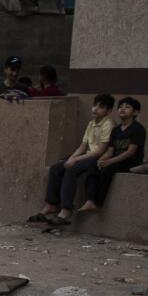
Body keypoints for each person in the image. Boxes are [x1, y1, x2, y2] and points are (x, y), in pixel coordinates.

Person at [31, 92, 114, 228]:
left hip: (97, 158)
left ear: (108, 111)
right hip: (86, 155)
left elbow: (100, 151)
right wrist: (71, 158)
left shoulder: (108, 124)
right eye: (95, 105)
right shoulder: (92, 123)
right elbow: (82, 146)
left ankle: (66, 210)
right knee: (57, 168)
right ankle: (51, 204)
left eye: (101, 107)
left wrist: (75, 161)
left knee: (72, 169)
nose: (95, 109)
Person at [72, 97, 146, 225]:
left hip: (131, 161)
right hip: (115, 158)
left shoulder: (137, 129)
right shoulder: (116, 130)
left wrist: (109, 162)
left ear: (135, 112)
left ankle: (98, 202)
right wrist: (101, 159)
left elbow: (130, 152)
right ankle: (89, 200)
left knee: (107, 169)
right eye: (121, 106)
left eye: (127, 107)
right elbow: (110, 150)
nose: (122, 109)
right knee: (92, 165)